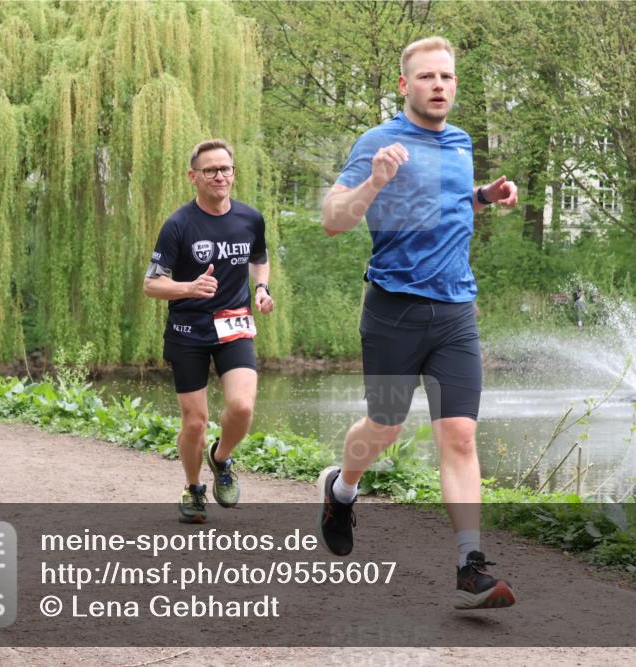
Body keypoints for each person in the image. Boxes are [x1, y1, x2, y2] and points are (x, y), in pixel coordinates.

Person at [318, 37, 519, 609]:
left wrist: (485, 194)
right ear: (404, 85)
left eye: (447, 77)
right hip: (392, 313)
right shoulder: (378, 142)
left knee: (459, 435)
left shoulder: (460, 143)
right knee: (383, 428)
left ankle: (469, 564)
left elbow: (444, 202)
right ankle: (341, 489)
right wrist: (375, 180)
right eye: (427, 77)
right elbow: (333, 219)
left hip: (456, 311)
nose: (439, 85)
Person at [143, 140, 274, 523]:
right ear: (194, 177)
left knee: (243, 406)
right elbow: (152, 284)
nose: (220, 176)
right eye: (210, 170)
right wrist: (189, 288)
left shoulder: (251, 218)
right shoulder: (179, 224)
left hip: (235, 325)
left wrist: (262, 289)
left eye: (225, 169)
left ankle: (220, 459)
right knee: (195, 421)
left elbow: (259, 257)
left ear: (233, 173)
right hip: (188, 331)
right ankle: (193, 486)